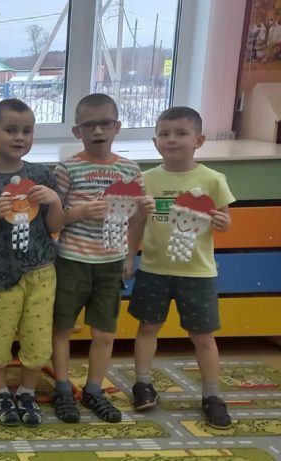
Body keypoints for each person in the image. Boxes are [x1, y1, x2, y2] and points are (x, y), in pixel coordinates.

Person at [126, 106, 235, 429]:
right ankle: (143, 384)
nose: (171, 139)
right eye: (164, 134)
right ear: (155, 141)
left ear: (198, 140)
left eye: (181, 133)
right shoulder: (146, 180)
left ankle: (212, 396)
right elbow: (136, 224)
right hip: (154, 270)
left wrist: (223, 222)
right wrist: (129, 257)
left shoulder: (212, 179)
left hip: (197, 273)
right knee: (147, 328)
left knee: (203, 336)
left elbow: (225, 221)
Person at [51, 93, 153, 424]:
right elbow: (53, 219)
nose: (98, 130)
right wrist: (80, 212)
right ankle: (63, 388)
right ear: (76, 131)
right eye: (89, 125)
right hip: (72, 260)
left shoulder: (130, 170)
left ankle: (93, 390)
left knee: (105, 333)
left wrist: (131, 253)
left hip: (111, 263)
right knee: (62, 328)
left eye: (105, 123)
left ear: (117, 127)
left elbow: (135, 219)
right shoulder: (67, 168)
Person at [0, 99, 64, 427]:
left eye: (27, 131)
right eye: (11, 130)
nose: (19, 137)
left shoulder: (41, 175)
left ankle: (27, 391)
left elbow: (55, 226)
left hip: (41, 272)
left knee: (37, 338)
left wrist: (54, 201)